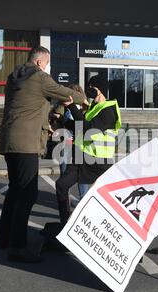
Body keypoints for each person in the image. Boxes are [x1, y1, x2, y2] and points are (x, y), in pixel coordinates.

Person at [0, 46, 87, 263]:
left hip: (9, 141)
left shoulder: (13, 77)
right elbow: (66, 92)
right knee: (27, 194)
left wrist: (48, 116)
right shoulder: (39, 78)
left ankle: (4, 238)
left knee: (14, 191)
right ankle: (17, 247)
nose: (47, 68)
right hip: (25, 144)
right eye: (46, 64)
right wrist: (83, 99)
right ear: (39, 63)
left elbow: (30, 105)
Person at [55, 75, 122, 226]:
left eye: (92, 87)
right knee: (61, 185)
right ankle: (65, 225)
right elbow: (80, 129)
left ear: (100, 90)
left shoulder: (109, 110)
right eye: (88, 87)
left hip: (98, 163)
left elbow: (88, 130)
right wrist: (61, 121)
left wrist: (72, 106)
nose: (89, 90)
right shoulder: (93, 108)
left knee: (103, 200)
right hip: (82, 158)